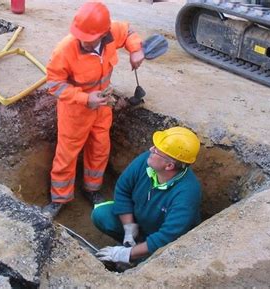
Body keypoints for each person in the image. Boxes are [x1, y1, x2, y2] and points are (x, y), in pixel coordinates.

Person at [42, 1, 145, 218]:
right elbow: (54, 83)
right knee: (67, 153)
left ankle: (92, 189)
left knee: (100, 147)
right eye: (82, 38)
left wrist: (136, 49)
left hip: (103, 105)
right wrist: (84, 98)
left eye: (90, 39)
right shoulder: (65, 49)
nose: (85, 43)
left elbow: (128, 31)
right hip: (75, 110)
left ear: (103, 33)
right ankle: (59, 198)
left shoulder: (111, 33)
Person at [92, 126, 202, 265]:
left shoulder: (186, 194)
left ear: (169, 166)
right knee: (101, 215)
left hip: (165, 241)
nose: (151, 149)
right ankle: (134, 244)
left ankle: (139, 258)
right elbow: (123, 189)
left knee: (151, 262)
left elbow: (167, 236)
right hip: (139, 224)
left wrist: (126, 254)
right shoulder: (147, 161)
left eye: (156, 150)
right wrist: (129, 226)